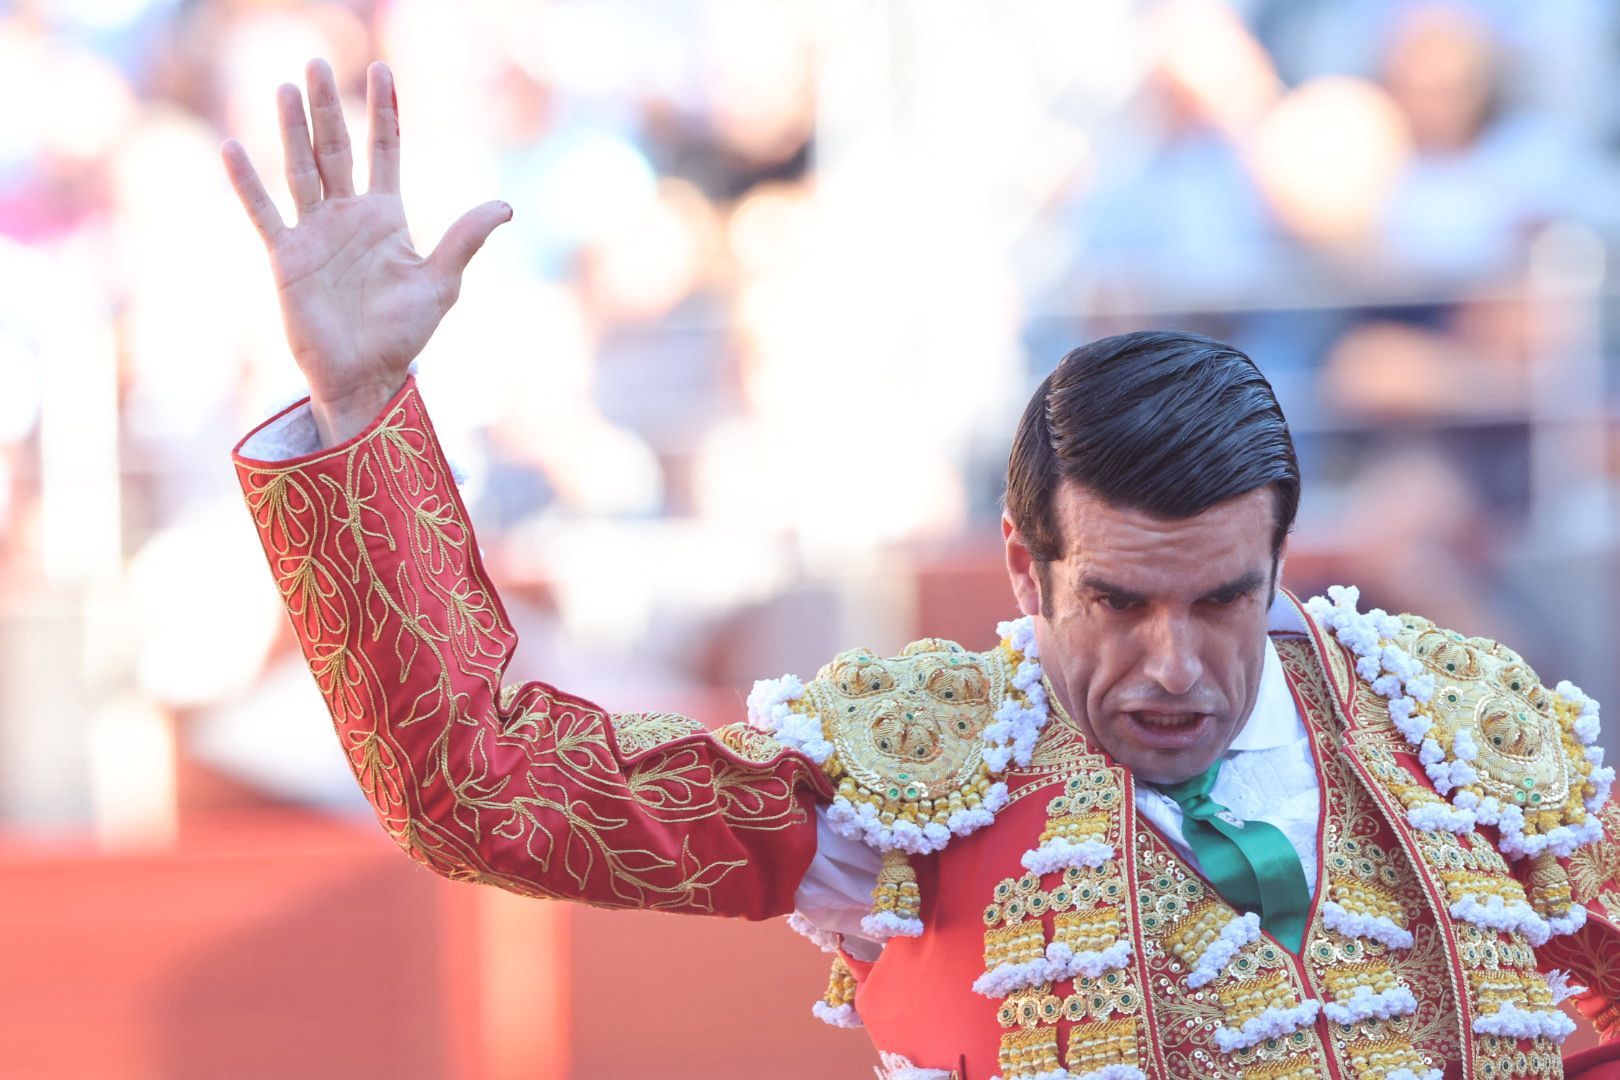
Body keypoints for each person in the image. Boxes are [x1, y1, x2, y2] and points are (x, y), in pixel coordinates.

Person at [221, 59, 1620, 1080]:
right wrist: (362, 413)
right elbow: (486, 786)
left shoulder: (1455, 731)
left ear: (1277, 561)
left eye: (1222, 600)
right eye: (1118, 604)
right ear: (1024, 570)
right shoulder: (913, 775)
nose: (1176, 665)